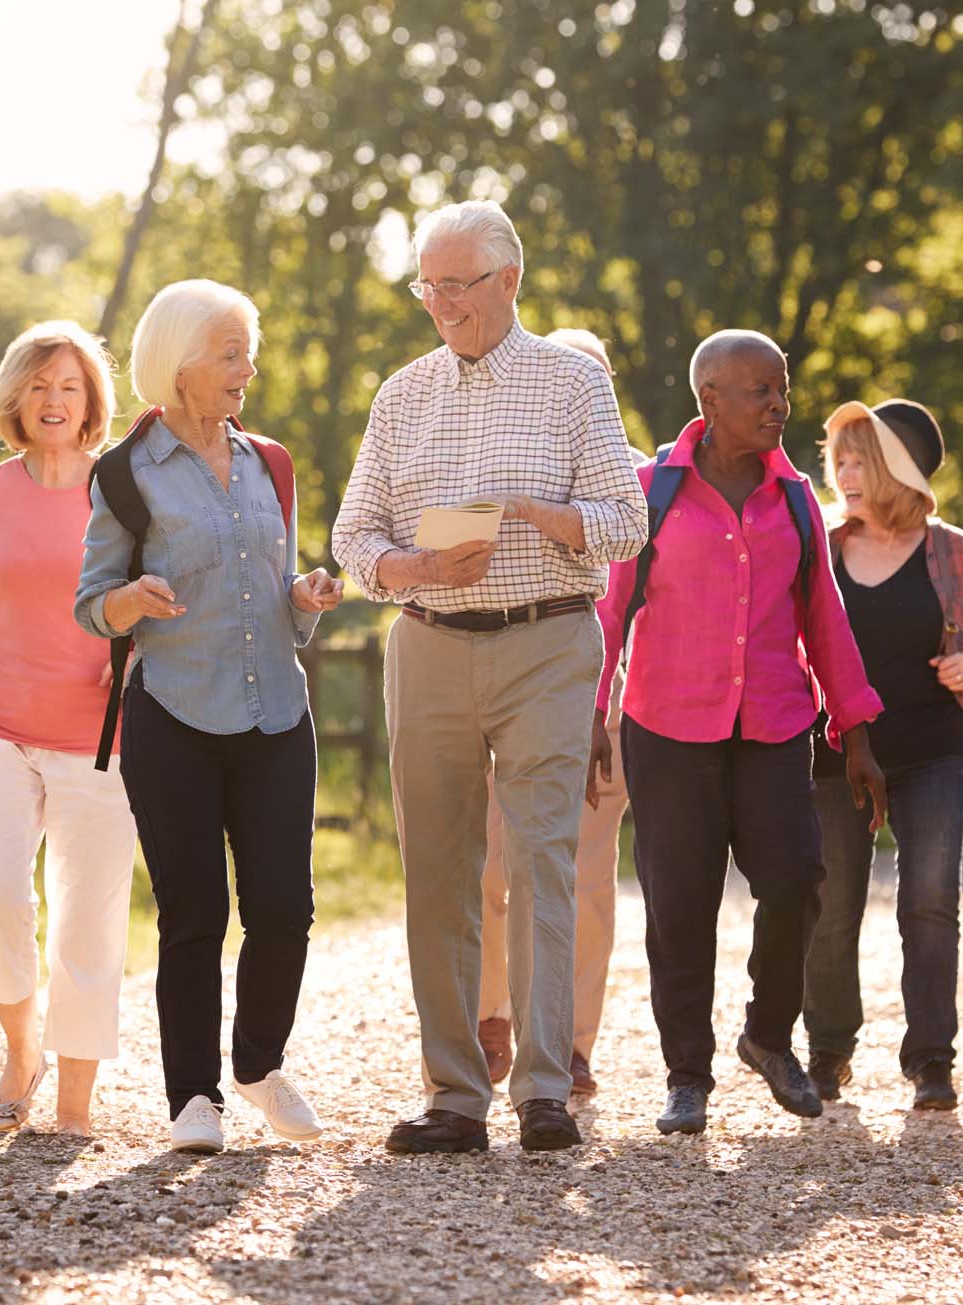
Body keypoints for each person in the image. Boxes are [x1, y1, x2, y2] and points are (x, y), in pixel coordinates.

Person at [332, 201, 648, 1154]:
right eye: (427, 284)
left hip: (548, 641)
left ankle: (545, 1089)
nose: (439, 302)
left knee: (544, 854)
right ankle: (454, 1096)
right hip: (428, 639)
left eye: (456, 283)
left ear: (509, 281)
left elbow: (626, 523)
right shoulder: (401, 394)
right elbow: (354, 539)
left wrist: (532, 512)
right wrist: (415, 569)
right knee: (437, 869)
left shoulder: (571, 385)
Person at [594, 329, 888, 1136]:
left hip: (772, 722)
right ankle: (687, 1073)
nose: (779, 404)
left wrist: (855, 730)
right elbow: (610, 613)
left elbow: (823, 616)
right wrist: (593, 711)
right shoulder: (649, 491)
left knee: (796, 877)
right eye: (760, 390)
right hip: (667, 724)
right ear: (709, 400)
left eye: (782, 387)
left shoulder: (793, 498)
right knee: (679, 905)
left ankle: (767, 1034)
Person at [74, 279, 345, 1154]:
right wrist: (131, 601)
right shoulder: (125, 471)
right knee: (192, 914)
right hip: (174, 715)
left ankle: (258, 1064)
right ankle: (193, 1097)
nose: (247, 368)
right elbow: (90, 602)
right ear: (180, 363)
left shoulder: (272, 461)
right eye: (230, 352)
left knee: (284, 907)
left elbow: (275, 587)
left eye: (246, 350)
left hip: (276, 712)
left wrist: (303, 597)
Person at [0, 320, 138, 1136]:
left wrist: (135, 652)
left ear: (91, 403)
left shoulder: (126, 487)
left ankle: (74, 1104)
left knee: (90, 917)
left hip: (104, 737)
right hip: (2, 724)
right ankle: (21, 1048)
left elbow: (160, 593)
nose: (53, 400)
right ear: (15, 396)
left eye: (69, 386)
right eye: (39, 385)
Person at [801, 399, 963, 1112]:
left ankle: (931, 1060)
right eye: (839, 459)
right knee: (832, 904)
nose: (844, 472)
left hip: (930, 750)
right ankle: (828, 1052)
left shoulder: (954, 551)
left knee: (930, 900)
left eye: (861, 459)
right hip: (836, 750)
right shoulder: (819, 544)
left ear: (896, 471)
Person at [475, 328, 645, 1109]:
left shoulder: (637, 488)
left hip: (602, 713)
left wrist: (603, 710)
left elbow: (636, 614)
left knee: (585, 884)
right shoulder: (503, 470)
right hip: (504, 703)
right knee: (493, 871)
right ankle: (491, 1014)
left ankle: (573, 1042)